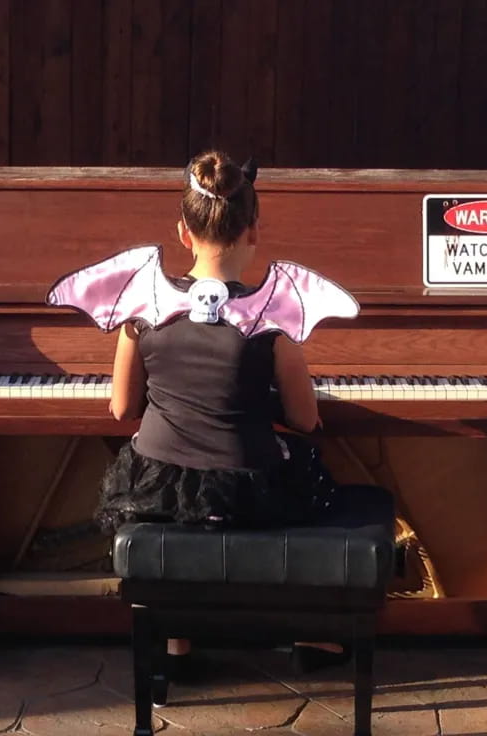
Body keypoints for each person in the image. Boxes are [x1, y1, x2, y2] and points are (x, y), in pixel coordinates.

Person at [88, 149, 394, 672]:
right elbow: (304, 421)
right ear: (254, 230)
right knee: (310, 479)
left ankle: (178, 639)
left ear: (183, 232)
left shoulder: (140, 314)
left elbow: (122, 409)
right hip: (249, 488)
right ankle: (308, 631)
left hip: (159, 484)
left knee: (185, 509)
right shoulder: (271, 317)